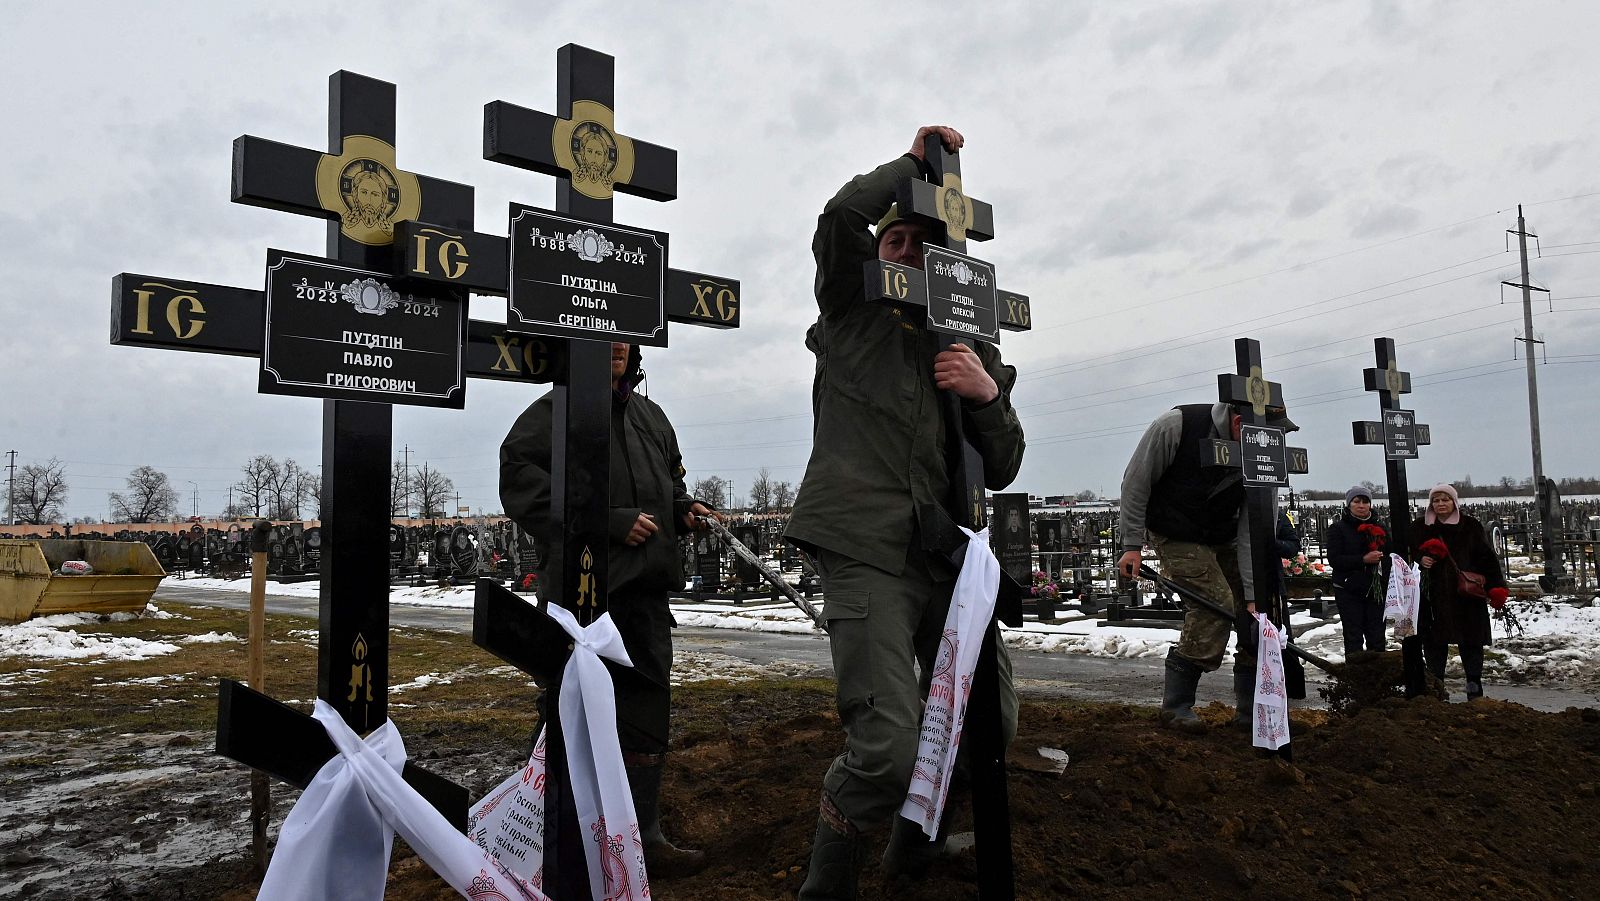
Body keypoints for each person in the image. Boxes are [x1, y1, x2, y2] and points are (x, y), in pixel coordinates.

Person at [784, 125, 1026, 899]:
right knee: (887, 745)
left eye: (926, 248)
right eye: (898, 242)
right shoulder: (854, 314)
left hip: (948, 551)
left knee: (990, 720)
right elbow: (836, 222)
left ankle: (911, 845)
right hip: (867, 546)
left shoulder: (966, 342)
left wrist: (984, 393)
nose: (909, 257)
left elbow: (1009, 458)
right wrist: (911, 169)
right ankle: (826, 884)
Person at [499, 341, 716, 877]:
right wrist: (606, 520)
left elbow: (671, 483)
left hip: (645, 596)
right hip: (582, 598)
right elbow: (520, 486)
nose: (617, 344)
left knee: (645, 717)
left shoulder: (652, 417)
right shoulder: (550, 414)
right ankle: (539, 839)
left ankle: (643, 839)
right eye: (605, 334)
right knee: (567, 712)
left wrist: (683, 508)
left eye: (626, 336)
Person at [1116, 401, 1298, 734]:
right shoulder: (1176, 426)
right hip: (1175, 531)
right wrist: (1131, 546)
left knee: (1255, 614)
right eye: (1266, 434)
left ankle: (1251, 712)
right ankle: (1176, 707)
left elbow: (1253, 531)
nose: (1271, 442)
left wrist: (1254, 595)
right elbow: (1136, 482)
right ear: (1240, 423)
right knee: (1212, 604)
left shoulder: (1261, 458)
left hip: (1221, 534)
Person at [1409, 483, 1508, 700]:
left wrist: (1496, 587)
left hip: (1465, 595)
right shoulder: (1420, 528)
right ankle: (1437, 686)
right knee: (1434, 643)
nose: (1440, 504)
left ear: (1454, 502)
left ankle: (1474, 684)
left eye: (1445, 500)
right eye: (1436, 500)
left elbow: (1487, 558)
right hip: (1433, 596)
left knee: (1470, 641)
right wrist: (1419, 559)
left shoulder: (1470, 526)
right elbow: (1407, 554)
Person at [1326, 487, 1391, 654]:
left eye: (1365, 501)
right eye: (1356, 502)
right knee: (1353, 636)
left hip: (1376, 590)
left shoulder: (1381, 527)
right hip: (1349, 589)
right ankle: (1355, 675)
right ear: (1349, 505)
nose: (1361, 505)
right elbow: (1335, 559)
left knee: (1376, 635)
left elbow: (1390, 554)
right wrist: (1362, 559)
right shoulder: (1338, 529)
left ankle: (1376, 675)